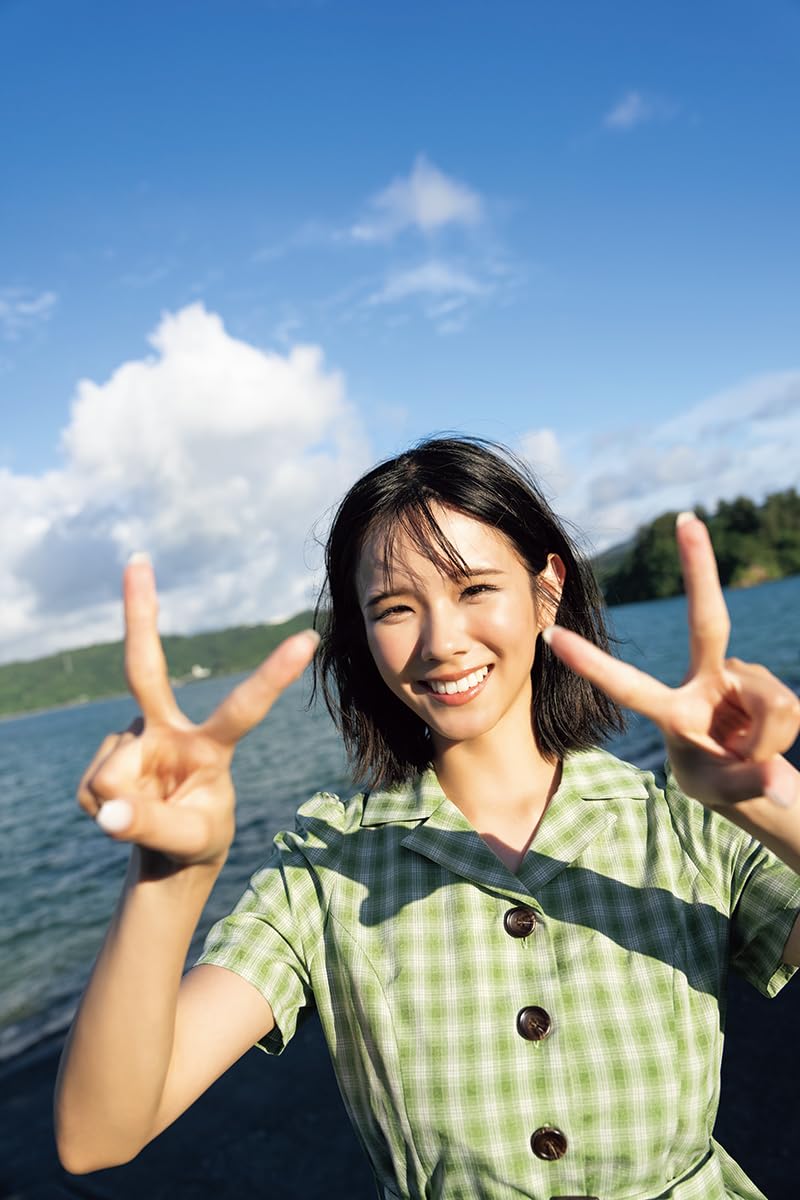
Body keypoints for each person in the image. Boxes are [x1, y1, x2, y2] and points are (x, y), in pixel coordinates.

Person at [55, 437, 800, 1200]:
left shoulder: (680, 824)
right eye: (395, 608)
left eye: (475, 589)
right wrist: (170, 874)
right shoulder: (326, 869)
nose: (442, 643)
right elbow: (100, 1133)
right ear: (363, 635)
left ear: (548, 587)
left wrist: (766, 797)